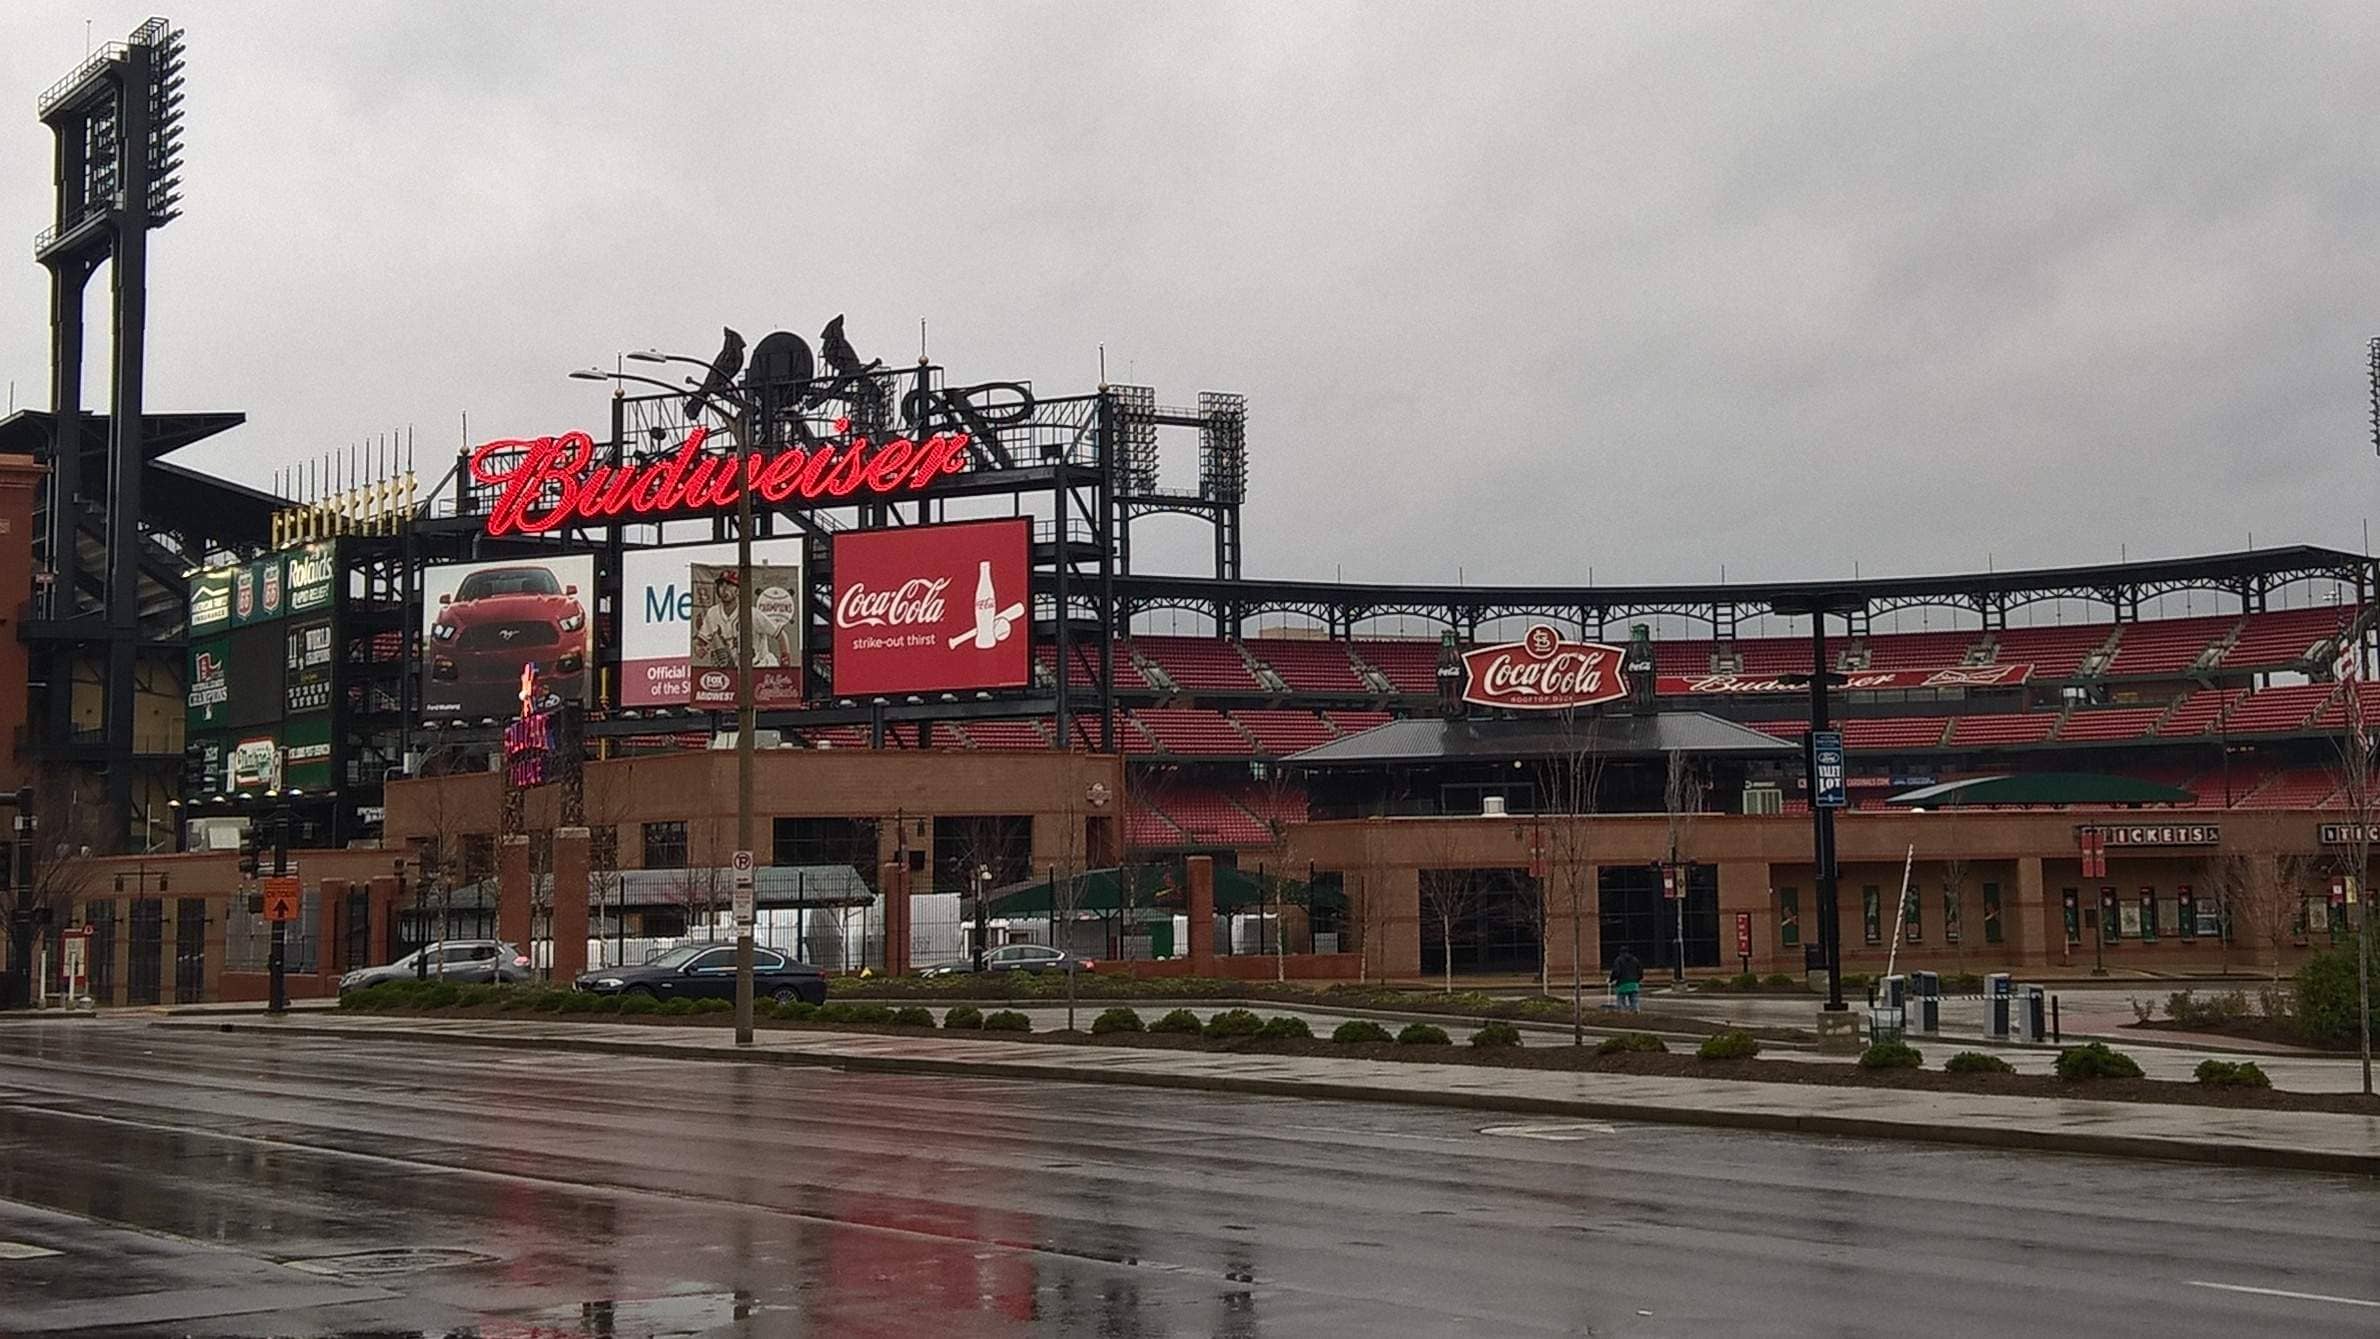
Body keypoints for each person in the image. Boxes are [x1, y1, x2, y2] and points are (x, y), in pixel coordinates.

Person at [1610, 947, 1644, 1012]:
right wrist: (1638, 979)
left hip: (1622, 984)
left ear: (1620, 952)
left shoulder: (1618, 960)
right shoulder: (1635, 959)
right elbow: (1640, 971)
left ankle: (1623, 1015)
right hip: (1634, 984)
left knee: (1621, 1001)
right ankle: (1636, 1014)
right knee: (1634, 1001)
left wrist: (1611, 979)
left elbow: (1616, 971)